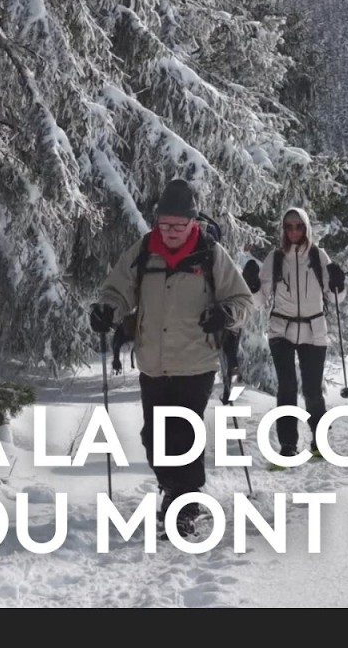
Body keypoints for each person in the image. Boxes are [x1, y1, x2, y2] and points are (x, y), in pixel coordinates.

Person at [89, 178, 252, 537]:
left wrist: (225, 314)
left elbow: (242, 300)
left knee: (184, 433)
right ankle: (172, 488)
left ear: (193, 222)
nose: (172, 231)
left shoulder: (210, 254)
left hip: (196, 361)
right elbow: (117, 290)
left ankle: (185, 502)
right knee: (154, 436)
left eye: (179, 224)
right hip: (153, 361)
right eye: (165, 224)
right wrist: (108, 310)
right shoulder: (145, 250)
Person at [241, 207, 347, 462]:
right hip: (281, 331)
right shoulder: (275, 258)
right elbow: (259, 300)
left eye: (298, 226)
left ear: (306, 228)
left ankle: (319, 441)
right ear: (283, 230)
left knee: (312, 390)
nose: (294, 231)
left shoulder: (318, 256)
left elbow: (335, 298)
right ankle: (288, 445)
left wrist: (338, 283)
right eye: (288, 227)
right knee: (287, 388)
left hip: (314, 331)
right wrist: (252, 285)